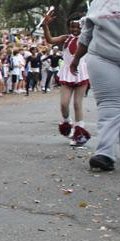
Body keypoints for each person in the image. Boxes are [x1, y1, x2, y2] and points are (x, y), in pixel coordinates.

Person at [70, 0, 120, 171]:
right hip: (103, 57)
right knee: (111, 106)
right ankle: (104, 154)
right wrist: (76, 59)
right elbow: (87, 33)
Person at [43, 12, 90, 147]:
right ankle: (67, 123)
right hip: (67, 72)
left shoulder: (87, 38)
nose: (75, 30)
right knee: (64, 104)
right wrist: (46, 26)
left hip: (81, 71)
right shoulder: (66, 38)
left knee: (77, 104)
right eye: (72, 27)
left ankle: (79, 133)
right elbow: (50, 40)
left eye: (78, 27)